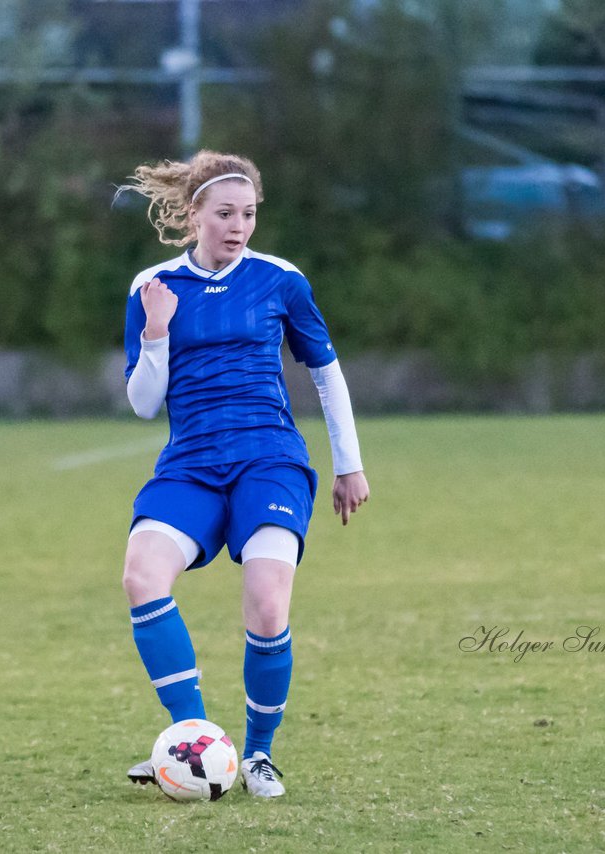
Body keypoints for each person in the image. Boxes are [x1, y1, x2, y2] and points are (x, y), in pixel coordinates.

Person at [117, 151, 370, 798]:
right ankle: (193, 740)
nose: (238, 226)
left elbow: (326, 371)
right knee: (141, 574)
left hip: (270, 460)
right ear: (193, 212)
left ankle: (257, 756)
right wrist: (154, 333)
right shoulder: (154, 288)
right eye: (225, 213)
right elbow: (145, 404)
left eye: (249, 214)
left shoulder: (280, 280)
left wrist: (349, 463)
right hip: (191, 464)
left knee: (265, 602)